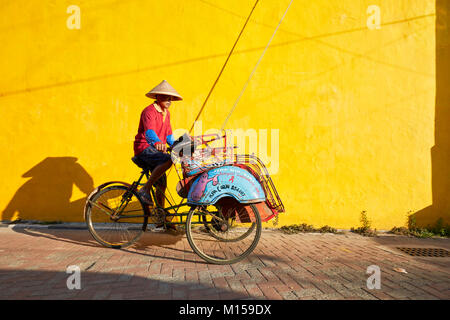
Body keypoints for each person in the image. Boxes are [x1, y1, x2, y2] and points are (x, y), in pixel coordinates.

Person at [133, 80, 182, 210]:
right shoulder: (149, 111)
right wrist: (157, 143)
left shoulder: (167, 113)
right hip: (144, 148)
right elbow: (149, 132)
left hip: (156, 150)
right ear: (157, 96)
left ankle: (161, 217)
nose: (169, 100)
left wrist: (177, 145)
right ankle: (145, 189)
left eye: (170, 98)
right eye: (166, 97)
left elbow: (168, 135)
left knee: (161, 185)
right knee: (168, 159)